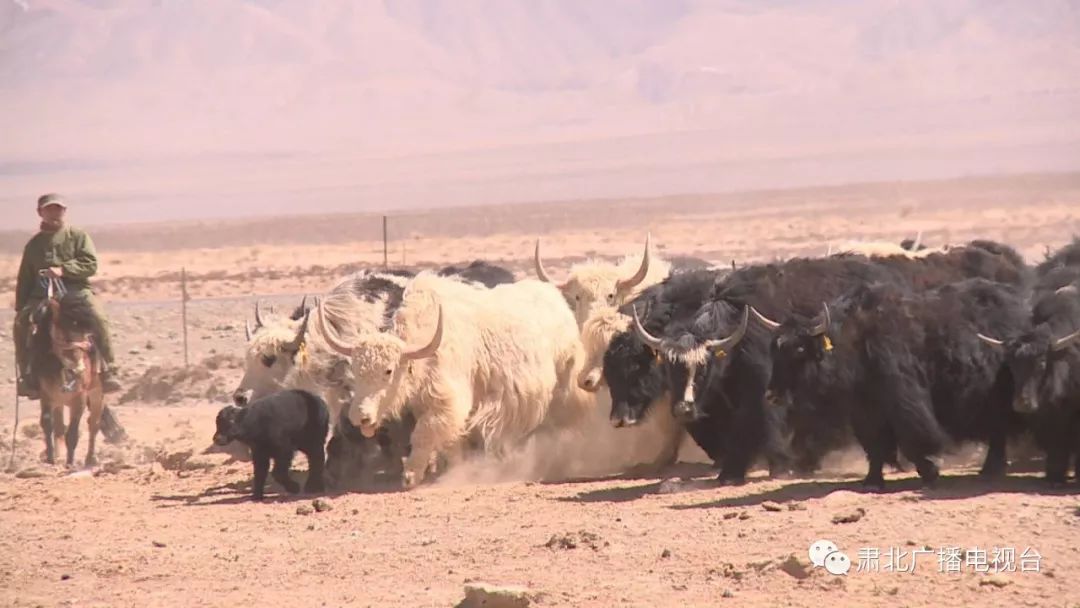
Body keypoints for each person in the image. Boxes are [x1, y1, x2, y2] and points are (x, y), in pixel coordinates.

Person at [13, 193, 123, 398]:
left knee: (98, 317)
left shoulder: (78, 236)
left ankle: (109, 370)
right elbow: (25, 277)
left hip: (76, 291)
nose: (54, 213)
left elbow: (90, 263)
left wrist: (64, 270)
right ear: (40, 213)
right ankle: (28, 377)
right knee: (21, 325)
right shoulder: (34, 245)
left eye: (58, 209)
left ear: (64, 211)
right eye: (49, 209)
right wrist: (21, 307)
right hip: (42, 295)